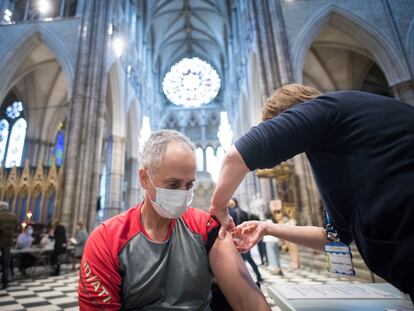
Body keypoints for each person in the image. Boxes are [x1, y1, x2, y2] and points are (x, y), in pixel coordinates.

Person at [210, 84, 414, 300]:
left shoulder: (328, 107)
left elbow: (237, 156)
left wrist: (219, 207)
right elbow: (334, 237)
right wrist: (267, 228)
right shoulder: (336, 148)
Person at [78, 130, 270, 310]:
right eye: (173, 184)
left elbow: (247, 299)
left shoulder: (205, 226)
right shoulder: (106, 240)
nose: (183, 193)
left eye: (189, 184)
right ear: (145, 178)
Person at [228, 198, 262, 283]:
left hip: (241, 239)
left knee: (246, 259)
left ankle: (253, 277)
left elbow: (238, 226)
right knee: (244, 260)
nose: (229, 203)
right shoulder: (238, 211)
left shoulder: (237, 212)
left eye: (231, 202)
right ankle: (252, 277)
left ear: (235, 202)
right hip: (242, 238)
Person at [0, 201, 17, 289]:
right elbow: (16, 228)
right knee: (6, 263)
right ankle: (5, 282)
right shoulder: (14, 216)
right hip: (8, 242)